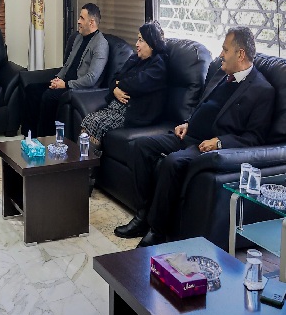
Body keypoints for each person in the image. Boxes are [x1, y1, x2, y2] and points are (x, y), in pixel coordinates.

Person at [115, 27, 275, 247]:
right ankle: (143, 216)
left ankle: (158, 231)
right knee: (140, 146)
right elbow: (206, 106)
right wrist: (188, 123)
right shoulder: (221, 73)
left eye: (225, 49)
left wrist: (219, 142)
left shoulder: (262, 90)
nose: (220, 54)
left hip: (207, 146)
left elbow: (255, 138)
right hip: (188, 134)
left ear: (240, 54)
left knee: (171, 163)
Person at [22, 3, 109, 137]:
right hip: (65, 83)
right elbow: (67, 65)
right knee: (31, 89)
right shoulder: (79, 38)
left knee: (48, 96)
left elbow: (91, 78)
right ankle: (29, 137)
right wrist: (57, 79)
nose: (78, 21)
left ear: (91, 22)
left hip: (80, 89)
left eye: (82, 18)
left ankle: (44, 139)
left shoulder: (100, 44)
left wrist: (66, 84)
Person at [80, 21, 167, 153]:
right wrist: (115, 89)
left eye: (141, 40)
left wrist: (118, 83)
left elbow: (136, 84)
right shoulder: (135, 59)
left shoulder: (158, 66)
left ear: (151, 43)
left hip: (134, 113)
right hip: (116, 107)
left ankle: (87, 164)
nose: (136, 44)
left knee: (95, 123)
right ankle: (81, 162)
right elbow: (114, 77)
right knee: (88, 120)